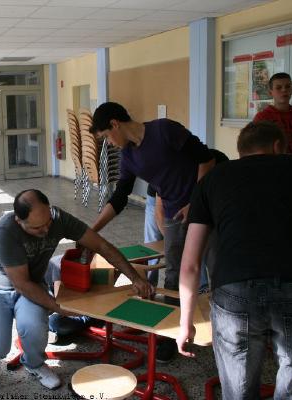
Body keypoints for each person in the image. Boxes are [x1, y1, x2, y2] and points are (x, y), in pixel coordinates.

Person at [177, 121, 292, 399]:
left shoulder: (213, 179)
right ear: (278, 146)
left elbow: (190, 264)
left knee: (238, 386)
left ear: (241, 151)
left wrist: (185, 322)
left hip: (234, 291)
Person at [0, 189, 152, 393]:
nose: (45, 231)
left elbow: (102, 246)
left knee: (33, 327)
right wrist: (59, 307)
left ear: (49, 209)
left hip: (33, 283)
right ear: (19, 220)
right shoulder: (6, 230)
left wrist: (135, 278)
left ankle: (34, 364)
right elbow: (21, 284)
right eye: (37, 228)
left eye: (47, 223)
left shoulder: (57, 218)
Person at [87, 102, 215, 361]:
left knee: (218, 265)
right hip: (174, 213)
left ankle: (228, 324)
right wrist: (91, 231)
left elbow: (207, 158)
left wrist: (196, 202)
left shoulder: (164, 130)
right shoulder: (128, 158)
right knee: (174, 274)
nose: (109, 143)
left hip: (207, 205)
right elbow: (120, 197)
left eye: (107, 137)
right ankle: (173, 332)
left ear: (115, 124)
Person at [254, 72, 292, 160]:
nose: (284, 90)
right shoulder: (262, 118)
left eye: (287, 86)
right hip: (271, 167)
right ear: (270, 93)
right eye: (278, 87)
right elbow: (254, 151)